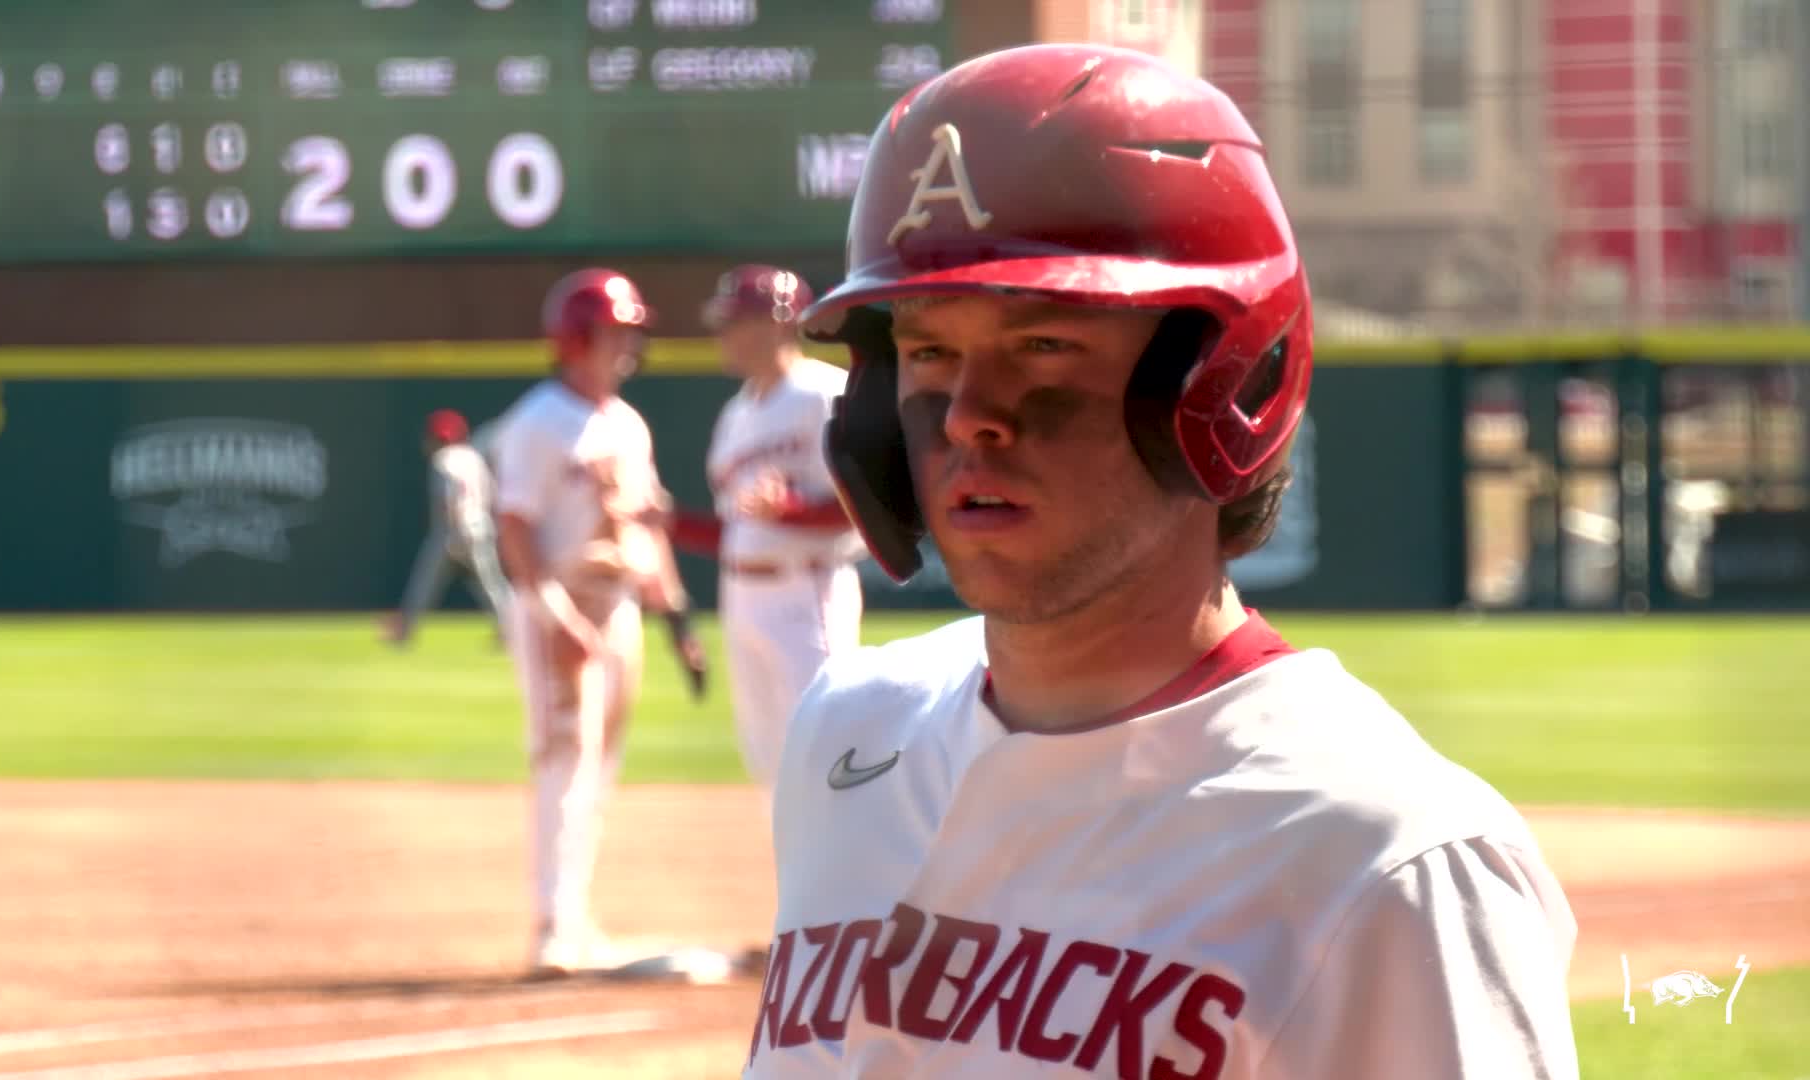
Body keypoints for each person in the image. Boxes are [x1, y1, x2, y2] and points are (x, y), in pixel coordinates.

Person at [743, 44, 1579, 1078]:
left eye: (1044, 345)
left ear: (1220, 379)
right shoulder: (847, 735)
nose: (969, 417)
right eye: (928, 352)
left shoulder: (1386, 860)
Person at [492, 268, 704, 974]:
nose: (629, 345)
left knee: (601, 768)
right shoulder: (537, 420)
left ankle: (578, 918)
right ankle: (553, 928)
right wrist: (552, 614)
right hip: (564, 601)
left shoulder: (628, 424)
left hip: (619, 607)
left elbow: (645, 528)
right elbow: (515, 530)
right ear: (576, 338)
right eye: (617, 332)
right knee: (563, 760)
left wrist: (674, 619)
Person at [668, 264, 865, 796]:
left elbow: (867, 509)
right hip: (742, 596)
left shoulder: (825, 394)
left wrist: (793, 510)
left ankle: (848, 877)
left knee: (825, 753)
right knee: (768, 764)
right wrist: (668, 522)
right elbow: (737, 532)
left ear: (778, 322)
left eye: (736, 321)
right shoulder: (735, 414)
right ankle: (796, 880)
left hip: (808, 590)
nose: (724, 335)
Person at [382, 408, 513, 648]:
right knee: (492, 585)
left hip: (453, 530)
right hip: (480, 525)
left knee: (424, 584)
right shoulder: (473, 457)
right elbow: (492, 494)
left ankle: (404, 631)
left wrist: (455, 535)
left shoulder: (443, 460)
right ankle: (512, 629)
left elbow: (449, 500)